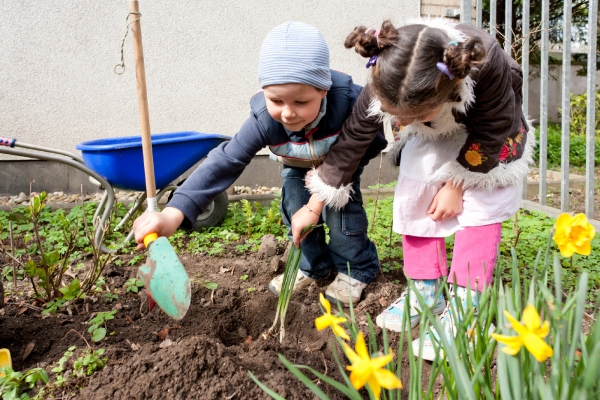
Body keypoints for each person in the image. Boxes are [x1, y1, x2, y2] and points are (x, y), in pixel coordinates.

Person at [292, 18, 533, 360]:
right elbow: (353, 140)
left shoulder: (485, 64)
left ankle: (468, 308)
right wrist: (315, 204)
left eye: (410, 114)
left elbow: (495, 129)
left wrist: (456, 184)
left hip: (489, 134)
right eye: (394, 114)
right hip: (433, 128)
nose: (399, 122)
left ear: (450, 91)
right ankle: (426, 290)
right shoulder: (391, 69)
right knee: (414, 197)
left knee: (482, 207)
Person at [132, 21, 387, 306]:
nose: (288, 113)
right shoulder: (265, 119)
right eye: (276, 99)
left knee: (341, 214)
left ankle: (356, 268)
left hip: (343, 164)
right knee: (294, 207)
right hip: (299, 164)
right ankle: (314, 265)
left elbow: (366, 142)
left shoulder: (350, 104)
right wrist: (173, 213)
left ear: (323, 91)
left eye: (301, 101)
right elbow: (226, 160)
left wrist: (320, 196)